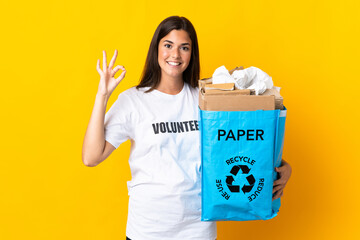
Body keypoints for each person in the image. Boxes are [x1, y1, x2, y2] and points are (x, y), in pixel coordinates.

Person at [82, 16, 292, 240]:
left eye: (184, 47)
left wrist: (283, 167)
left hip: (197, 229)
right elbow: (91, 157)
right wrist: (102, 96)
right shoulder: (133, 101)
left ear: (192, 54)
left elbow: (239, 148)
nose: (175, 54)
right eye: (168, 45)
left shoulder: (207, 101)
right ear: (157, 49)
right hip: (147, 228)